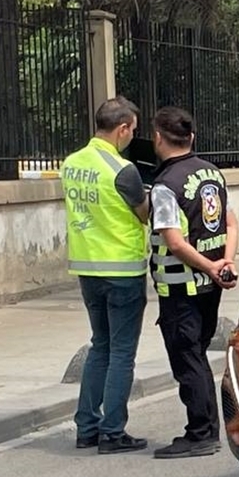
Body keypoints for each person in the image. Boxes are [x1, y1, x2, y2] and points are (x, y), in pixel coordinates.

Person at [148, 106, 239, 459]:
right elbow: (231, 223)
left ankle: (200, 432)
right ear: (192, 138)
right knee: (198, 355)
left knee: (188, 359)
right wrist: (224, 262)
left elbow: (174, 242)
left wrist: (211, 267)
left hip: (181, 286)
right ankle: (206, 428)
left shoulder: (165, 186)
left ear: (157, 138)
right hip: (211, 285)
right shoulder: (212, 173)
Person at [62, 96, 151, 454]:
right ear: (122, 128)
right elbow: (143, 214)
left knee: (100, 345)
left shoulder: (71, 163)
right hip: (123, 271)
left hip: (87, 267)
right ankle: (113, 431)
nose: (132, 137)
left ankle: (87, 428)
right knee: (122, 352)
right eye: (132, 131)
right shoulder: (122, 170)